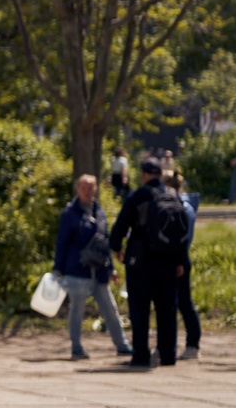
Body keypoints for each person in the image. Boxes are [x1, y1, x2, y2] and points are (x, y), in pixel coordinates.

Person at [109, 158, 193, 369]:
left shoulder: (138, 196)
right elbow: (180, 233)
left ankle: (141, 355)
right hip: (168, 261)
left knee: (140, 310)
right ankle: (168, 355)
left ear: (144, 174)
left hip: (142, 262)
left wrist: (117, 247)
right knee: (167, 309)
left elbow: (120, 226)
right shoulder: (173, 195)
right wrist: (180, 260)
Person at [53, 174, 129, 360]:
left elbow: (104, 242)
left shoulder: (99, 211)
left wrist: (110, 268)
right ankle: (76, 347)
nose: (87, 191)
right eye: (84, 187)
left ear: (96, 189)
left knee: (110, 309)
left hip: (99, 271)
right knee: (77, 311)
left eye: (91, 187)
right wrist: (57, 270)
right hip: (77, 271)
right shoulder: (70, 213)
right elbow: (61, 242)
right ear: (78, 189)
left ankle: (122, 345)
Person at [167, 167, 205, 362]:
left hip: (180, 259)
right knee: (170, 303)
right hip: (169, 258)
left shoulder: (185, 208)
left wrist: (177, 258)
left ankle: (193, 344)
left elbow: (184, 238)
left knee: (184, 302)